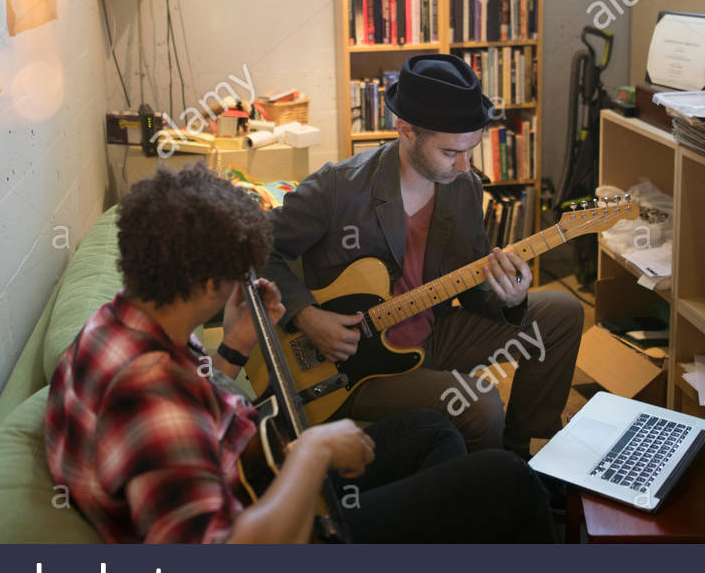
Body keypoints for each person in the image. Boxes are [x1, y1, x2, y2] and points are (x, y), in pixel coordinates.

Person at [45, 162, 554, 543]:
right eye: (234, 276)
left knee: (433, 430)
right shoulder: (149, 394)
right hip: (284, 533)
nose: (238, 287)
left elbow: (209, 417)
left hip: (258, 481)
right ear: (206, 282)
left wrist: (237, 348)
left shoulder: (123, 322)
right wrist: (312, 452)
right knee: (508, 479)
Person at [262, 54, 584, 457]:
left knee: (562, 313)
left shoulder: (464, 186)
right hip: (353, 364)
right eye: (451, 152)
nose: (466, 165)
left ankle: (522, 454)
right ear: (407, 131)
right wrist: (307, 316)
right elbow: (257, 250)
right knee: (482, 404)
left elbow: (473, 288)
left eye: (472, 149)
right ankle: (479, 485)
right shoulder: (337, 187)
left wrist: (509, 296)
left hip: (431, 333)